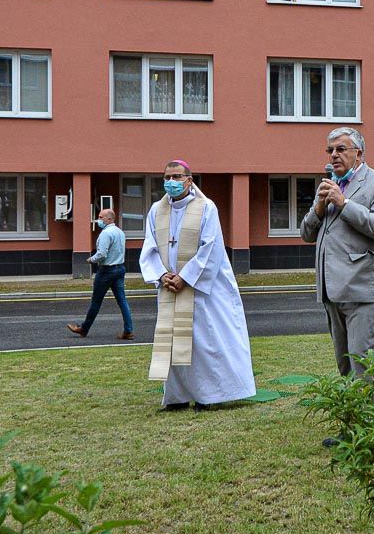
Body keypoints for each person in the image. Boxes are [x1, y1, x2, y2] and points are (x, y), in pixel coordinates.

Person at [300, 127, 374, 444]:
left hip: (363, 289)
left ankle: (371, 434)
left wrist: (343, 203)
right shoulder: (328, 188)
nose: (333, 156)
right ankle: (354, 426)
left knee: (364, 362)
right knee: (345, 364)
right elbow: (306, 234)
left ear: (358, 152)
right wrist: (317, 209)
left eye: (340, 149)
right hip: (332, 290)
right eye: (329, 151)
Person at [139, 159, 256, 411]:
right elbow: (149, 245)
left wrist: (186, 276)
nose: (171, 182)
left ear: (189, 180)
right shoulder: (156, 210)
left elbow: (211, 247)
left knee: (203, 342)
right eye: (167, 177)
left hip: (201, 290)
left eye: (177, 177)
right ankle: (177, 396)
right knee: (172, 340)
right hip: (170, 287)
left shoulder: (206, 207)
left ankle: (208, 395)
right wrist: (161, 275)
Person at [68, 209, 134, 339]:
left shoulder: (106, 233)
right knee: (122, 301)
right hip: (119, 268)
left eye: (101, 217)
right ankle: (128, 330)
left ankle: (83, 328)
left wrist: (90, 259)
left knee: (96, 302)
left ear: (109, 219)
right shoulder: (120, 232)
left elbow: (102, 253)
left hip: (106, 270)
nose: (98, 220)